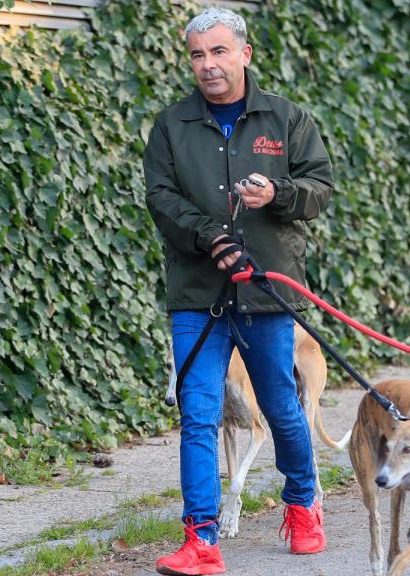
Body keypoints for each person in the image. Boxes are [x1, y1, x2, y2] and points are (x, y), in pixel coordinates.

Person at [143, 7, 334, 576]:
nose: (209, 65)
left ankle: (302, 503)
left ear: (244, 54)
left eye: (219, 51)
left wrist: (277, 193)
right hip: (198, 294)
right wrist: (209, 236)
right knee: (198, 414)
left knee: (279, 406)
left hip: (266, 292)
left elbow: (319, 188)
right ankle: (200, 539)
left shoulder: (287, 118)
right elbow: (161, 199)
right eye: (198, 55)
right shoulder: (171, 125)